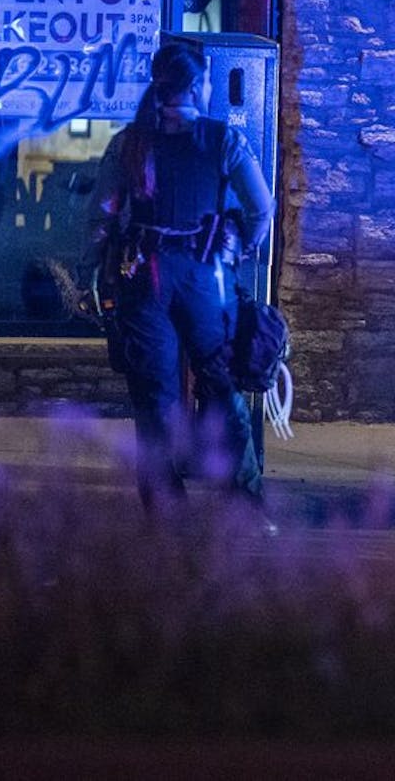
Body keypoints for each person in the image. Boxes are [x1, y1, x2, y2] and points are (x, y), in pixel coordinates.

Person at [82, 42, 274, 514]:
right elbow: (262, 207)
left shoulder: (131, 142)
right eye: (206, 81)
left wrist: (92, 270)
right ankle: (245, 499)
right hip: (205, 276)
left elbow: (101, 215)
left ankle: (165, 508)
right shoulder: (222, 139)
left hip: (143, 276)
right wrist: (241, 246)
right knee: (222, 380)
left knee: (154, 395)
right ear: (195, 86)